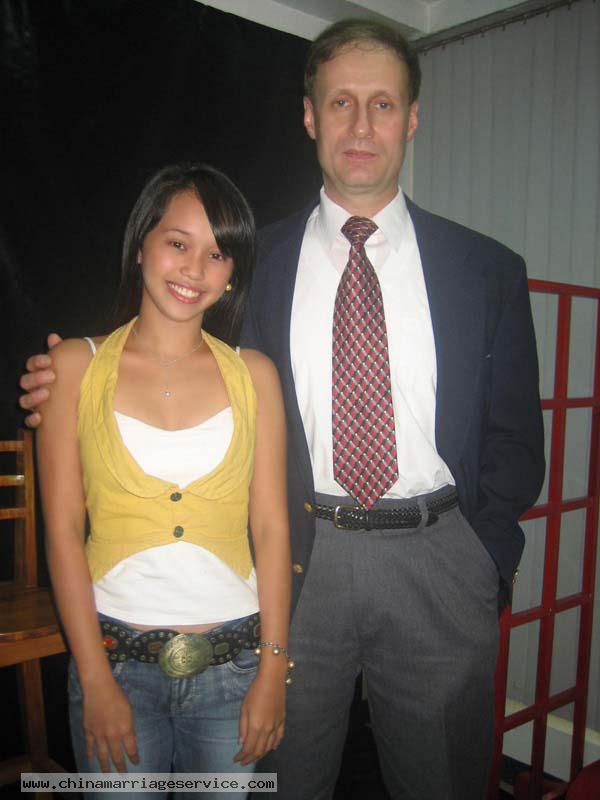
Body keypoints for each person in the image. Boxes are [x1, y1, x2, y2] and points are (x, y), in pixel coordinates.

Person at [20, 19, 544, 800]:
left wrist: (483, 562)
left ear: (411, 118)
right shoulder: (252, 262)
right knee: (282, 780)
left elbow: (516, 438)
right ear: (309, 116)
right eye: (340, 102)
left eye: (381, 104)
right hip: (297, 563)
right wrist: (65, 375)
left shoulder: (487, 269)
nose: (360, 125)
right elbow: (175, 349)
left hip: (439, 559)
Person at [34, 163, 291, 800]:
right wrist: (94, 678)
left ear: (232, 274)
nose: (194, 269)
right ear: (141, 245)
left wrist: (272, 671)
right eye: (178, 242)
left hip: (233, 670)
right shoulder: (74, 366)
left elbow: (271, 528)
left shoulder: (255, 375)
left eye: (217, 254)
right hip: (115, 664)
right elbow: (62, 531)